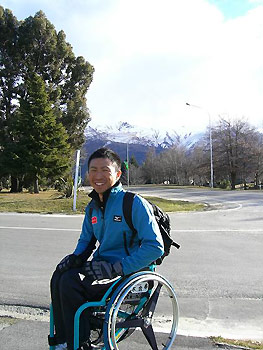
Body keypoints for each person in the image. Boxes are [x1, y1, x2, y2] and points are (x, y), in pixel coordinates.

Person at [50, 147, 164, 350]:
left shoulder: (133, 203)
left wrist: (117, 268)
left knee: (70, 283)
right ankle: (63, 341)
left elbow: (155, 247)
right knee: (59, 276)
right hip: (102, 268)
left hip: (128, 272)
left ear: (118, 174)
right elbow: (86, 241)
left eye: (105, 170)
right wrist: (75, 258)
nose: (98, 176)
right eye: (93, 170)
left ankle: (79, 344)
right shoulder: (93, 207)